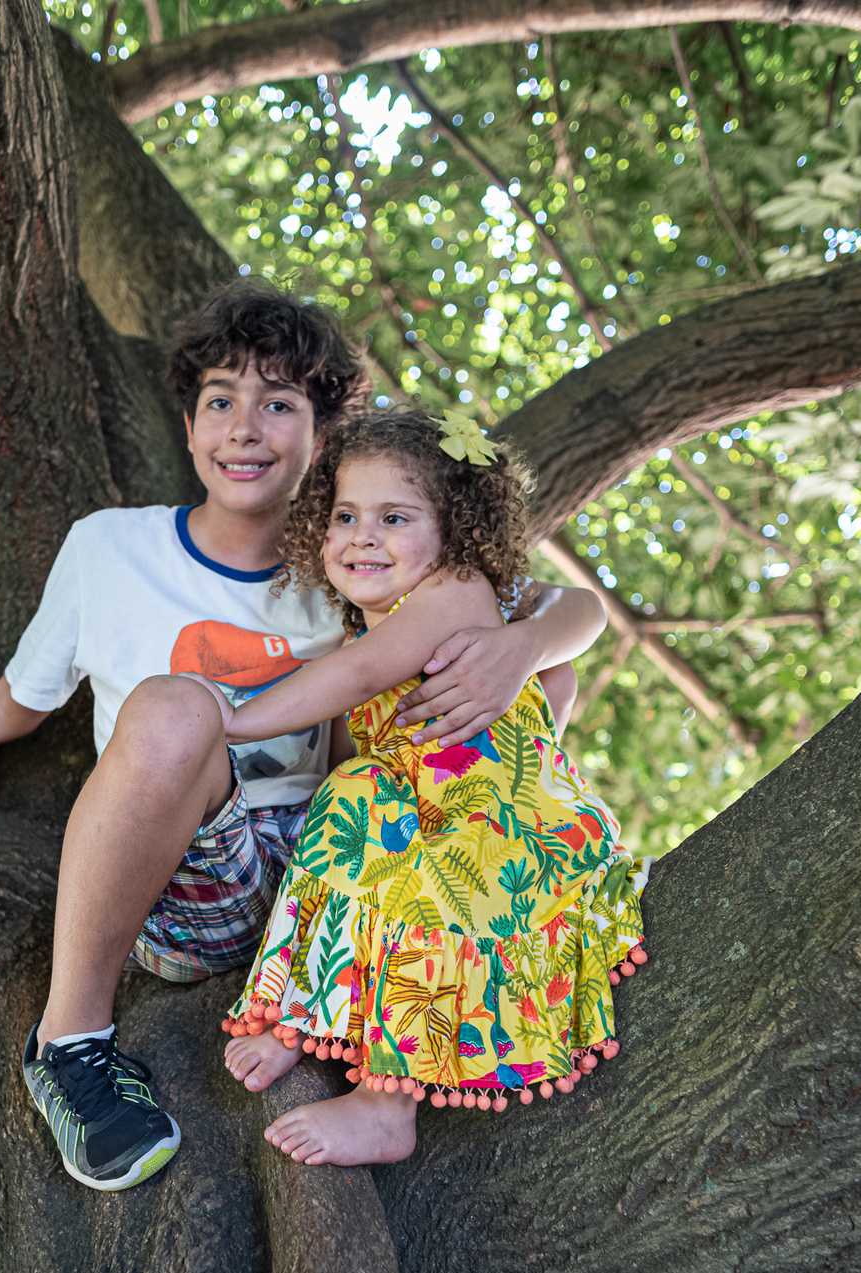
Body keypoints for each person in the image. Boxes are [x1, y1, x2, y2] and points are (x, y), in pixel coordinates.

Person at [0, 281, 608, 1192]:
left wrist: (524, 647)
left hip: (343, 877)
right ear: (187, 427)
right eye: (220, 401)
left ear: (323, 435)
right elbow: (11, 704)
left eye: (279, 404)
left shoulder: (360, 560)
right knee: (175, 705)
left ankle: (382, 974)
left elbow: (562, 609)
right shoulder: (110, 549)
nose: (245, 427)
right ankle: (70, 1045)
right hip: (197, 874)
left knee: (494, 699)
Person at [183, 406, 650, 1168]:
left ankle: (387, 1104)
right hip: (421, 805)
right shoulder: (377, 620)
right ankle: (299, 1014)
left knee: (428, 882)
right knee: (345, 805)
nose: (362, 535)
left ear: (457, 536)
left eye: (393, 517)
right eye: (345, 516)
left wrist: (227, 722)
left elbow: (353, 679)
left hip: (489, 831)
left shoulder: (456, 593)